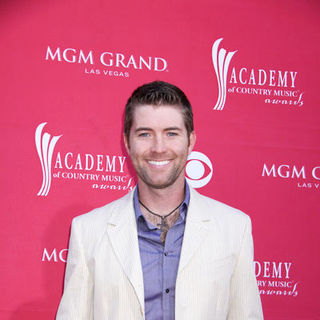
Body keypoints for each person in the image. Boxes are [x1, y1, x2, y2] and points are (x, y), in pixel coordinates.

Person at [56, 81, 263, 320]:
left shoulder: (234, 228)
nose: (158, 147)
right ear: (127, 142)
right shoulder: (88, 231)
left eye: (171, 133)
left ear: (191, 141)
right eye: (145, 134)